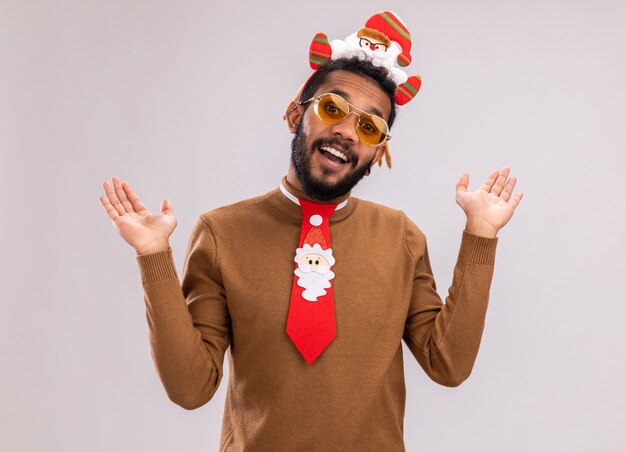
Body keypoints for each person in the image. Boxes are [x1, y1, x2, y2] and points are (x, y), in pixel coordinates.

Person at [99, 12, 523, 452]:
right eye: (332, 108)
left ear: (378, 154)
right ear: (293, 113)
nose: (345, 131)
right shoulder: (221, 233)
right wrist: (153, 254)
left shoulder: (402, 238)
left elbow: (447, 364)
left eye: (369, 126)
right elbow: (191, 389)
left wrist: (481, 236)